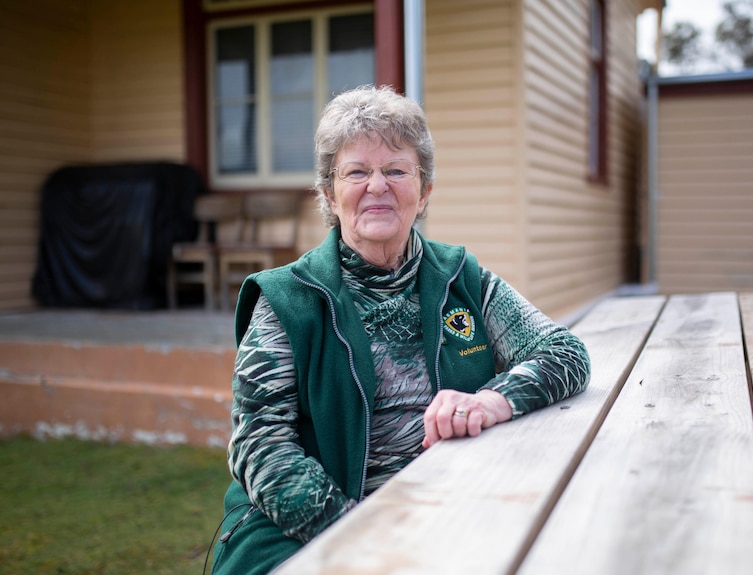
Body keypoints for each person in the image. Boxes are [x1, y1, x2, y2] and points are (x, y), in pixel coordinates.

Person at [211, 85, 590, 575]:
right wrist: (364, 535)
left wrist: (489, 401)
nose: (377, 186)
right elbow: (259, 443)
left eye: (395, 170)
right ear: (329, 193)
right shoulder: (287, 299)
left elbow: (564, 352)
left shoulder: (460, 277)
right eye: (356, 172)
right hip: (315, 529)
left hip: (451, 505)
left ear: (424, 189)